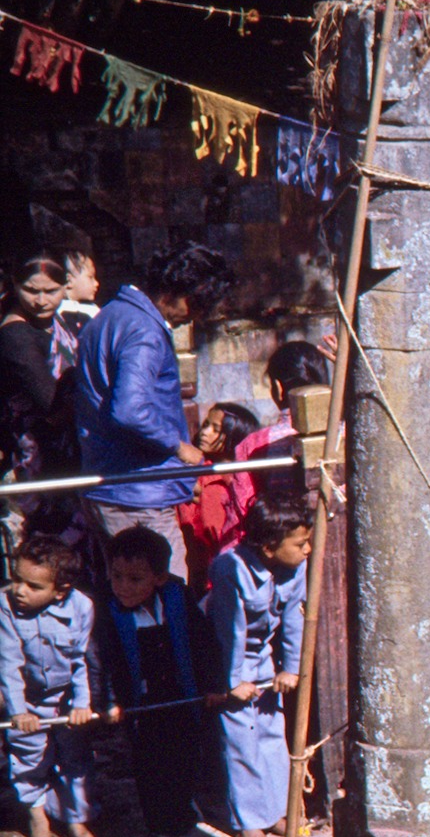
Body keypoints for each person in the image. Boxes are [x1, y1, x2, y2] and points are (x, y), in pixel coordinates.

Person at [73, 242, 235, 581]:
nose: (196, 315)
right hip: (134, 494)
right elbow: (130, 410)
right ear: (173, 290)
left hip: (114, 483)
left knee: (134, 598)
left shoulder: (110, 316)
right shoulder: (144, 330)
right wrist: (178, 448)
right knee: (165, 593)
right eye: (196, 304)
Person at [204, 495, 308, 837]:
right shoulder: (230, 568)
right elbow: (229, 631)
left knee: (269, 733)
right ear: (268, 547)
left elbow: (294, 619)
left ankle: (275, 809)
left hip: (262, 659)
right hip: (224, 660)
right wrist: (233, 683)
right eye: (300, 544)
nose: (307, 549)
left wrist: (290, 668)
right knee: (241, 742)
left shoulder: (295, 567)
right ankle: (248, 820)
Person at [97, 526, 215, 836]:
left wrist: (212, 684)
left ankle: (183, 807)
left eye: (135, 579)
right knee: (149, 760)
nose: (123, 586)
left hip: (178, 693)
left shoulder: (176, 598)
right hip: (141, 701)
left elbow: (202, 642)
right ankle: (159, 819)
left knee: (184, 751)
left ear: (159, 578)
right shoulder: (109, 610)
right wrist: (111, 702)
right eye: (117, 576)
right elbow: (105, 661)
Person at [0, 535, 99, 837]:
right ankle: (37, 817)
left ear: (61, 590)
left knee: (75, 757)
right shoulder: (5, 606)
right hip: (26, 700)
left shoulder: (82, 607)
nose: (20, 590)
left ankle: (74, 818)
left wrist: (82, 703)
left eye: (33, 586)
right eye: (16, 579)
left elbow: (80, 659)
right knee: (29, 758)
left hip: (65, 699)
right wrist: (18, 711)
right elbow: (9, 664)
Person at [0, 250, 79, 574]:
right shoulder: (16, 335)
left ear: (66, 287)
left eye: (51, 291)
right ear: (15, 286)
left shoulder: (57, 321)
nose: (41, 300)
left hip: (63, 447)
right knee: (44, 547)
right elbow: (49, 401)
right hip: (35, 455)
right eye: (32, 290)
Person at [229, 340, 328, 514]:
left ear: (278, 387)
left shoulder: (253, 445)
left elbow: (243, 510)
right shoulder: (349, 433)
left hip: (282, 537)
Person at [177, 401, 258, 595]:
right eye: (206, 425)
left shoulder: (218, 484)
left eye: (216, 430)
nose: (205, 433)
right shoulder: (202, 471)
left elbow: (212, 528)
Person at [60, 249, 99, 320]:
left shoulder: (92, 309)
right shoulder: (58, 313)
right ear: (69, 281)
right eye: (90, 277)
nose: (96, 283)